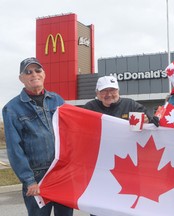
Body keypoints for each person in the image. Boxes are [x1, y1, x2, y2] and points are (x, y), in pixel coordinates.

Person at [2, 57, 73, 216]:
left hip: (62, 173)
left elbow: (71, 132)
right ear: (21, 78)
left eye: (37, 70)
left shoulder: (57, 100)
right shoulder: (11, 109)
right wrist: (29, 180)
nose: (34, 74)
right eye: (28, 72)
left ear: (44, 74)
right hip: (37, 178)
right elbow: (15, 149)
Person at [84, 75, 156, 216]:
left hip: (127, 165)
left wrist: (149, 119)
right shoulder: (89, 108)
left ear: (118, 90)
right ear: (97, 93)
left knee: (124, 202)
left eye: (112, 90)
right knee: (99, 204)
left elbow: (151, 120)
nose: (109, 94)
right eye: (104, 91)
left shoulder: (131, 105)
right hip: (100, 166)